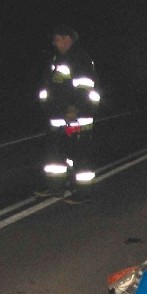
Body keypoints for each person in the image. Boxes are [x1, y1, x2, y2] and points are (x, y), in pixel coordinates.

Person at [36, 25, 100, 204]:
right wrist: (47, 106)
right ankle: (55, 186)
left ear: (67, 39)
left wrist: (74, 108)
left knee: (78, 154)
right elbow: (50, 85)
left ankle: (83, 192)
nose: (54, 43)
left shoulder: (79, 58)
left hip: (76, 116)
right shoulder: (57, 58)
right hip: (57, 115)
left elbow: (84, 86)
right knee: (55, 153)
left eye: (57, 39)